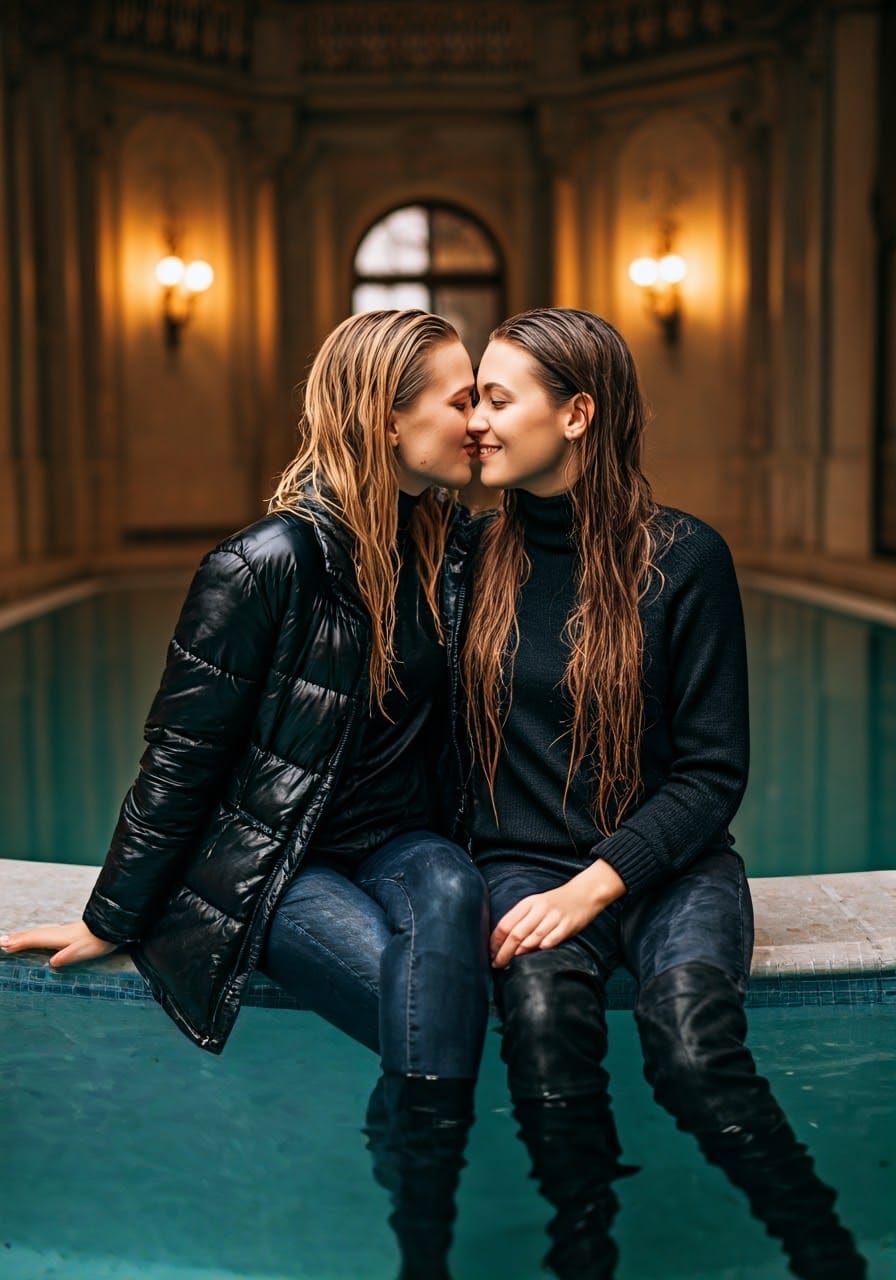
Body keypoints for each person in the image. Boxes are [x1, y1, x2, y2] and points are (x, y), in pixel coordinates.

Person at [1, 309, 491, 1280]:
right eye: (461, 395)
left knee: (452, 902)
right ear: (387, 419)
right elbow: (180, 755)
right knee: (433, 1006)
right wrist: (115, 912)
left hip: (405, 844)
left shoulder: (453, 551)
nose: (479, 418)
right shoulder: (263, 562)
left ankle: (417, 1220)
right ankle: (426, 1249)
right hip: (280, 866)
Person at [458, 307, 866, 1279]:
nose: (474, 416)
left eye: (496, 396)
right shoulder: (466, 556)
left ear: (575, 413)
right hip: (520, 858)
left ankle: (823, 1253)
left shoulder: (684, 558)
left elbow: (711, 773)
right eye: (471, 394)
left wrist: (596, 882)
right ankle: (583, 1250)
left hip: (667, 862)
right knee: (545, 1032)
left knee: (690, 1046)